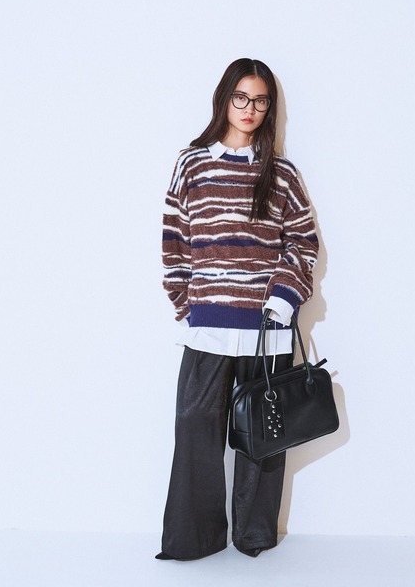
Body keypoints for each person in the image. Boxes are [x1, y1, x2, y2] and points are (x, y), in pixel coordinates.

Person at [156, 58, 319, 561]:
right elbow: (174, 239)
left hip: (268, 327)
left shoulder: (282, 173)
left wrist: (283, 299)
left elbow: (304, 242)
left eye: (260, 100)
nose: (250, 108)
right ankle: (194, 539)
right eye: (241, 97)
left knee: (263, 441)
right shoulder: (192, 163)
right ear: (224, 98)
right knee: (195, 430)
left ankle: (254, 536)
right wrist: (187, 304)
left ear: (270, 108)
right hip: (208, 327)